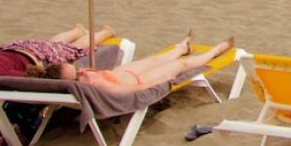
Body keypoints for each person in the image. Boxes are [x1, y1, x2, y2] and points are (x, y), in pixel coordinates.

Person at [46, 32, 235, 93]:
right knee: (181, 66)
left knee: (156, 58)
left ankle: (181, 47)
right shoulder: (96, 85)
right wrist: (161, 81)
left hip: (121, 72)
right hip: (137, 79)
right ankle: (217, 50)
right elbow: (131, 91)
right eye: (78, 75)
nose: (83, 72)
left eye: (78, 69)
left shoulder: (84, 81)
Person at [0, 24, 116, 82]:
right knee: (51, 44)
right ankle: (76, 31)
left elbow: (29, 76)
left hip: (29, 56)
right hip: (13, 48)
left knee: (74, 50)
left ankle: (106, 32)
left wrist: (43, 69)